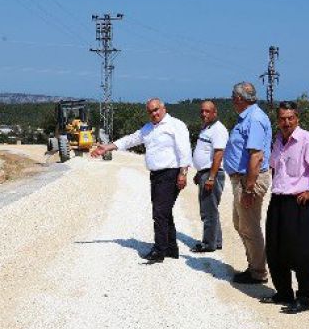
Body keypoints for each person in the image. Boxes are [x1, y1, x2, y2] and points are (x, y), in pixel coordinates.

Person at [91, 98, 192, 263]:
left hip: (170, 173)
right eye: (150, 111)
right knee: (165, 212)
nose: (154, 113)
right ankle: (171, 248)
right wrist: (107, 147)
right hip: (156, 175)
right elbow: (131, 140)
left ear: (164, 108)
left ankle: (159, 251)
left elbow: (184, 150)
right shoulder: (148, 128)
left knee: (159, 213)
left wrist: (183, 173)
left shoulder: (175, 125)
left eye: (156, 109)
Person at [261, 101, 309, 314]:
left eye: (290, 118)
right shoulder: (277, 141)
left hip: (299, 203)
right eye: (282, 118)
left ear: (297, 119)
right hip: (278, 200)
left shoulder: (308, 140)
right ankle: (283, 293)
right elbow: (275, 168)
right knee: (275, 249)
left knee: (304, 252)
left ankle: (304, 298)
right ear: (278, 120)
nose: (286, 122)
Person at [224, 82, 272, 284]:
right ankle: (253, 266)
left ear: (239, 99)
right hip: (241, 180)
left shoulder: (254, 119)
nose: (232, 100)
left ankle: (258, 272)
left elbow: (256, 156)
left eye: (233, 97)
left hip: (248, 181)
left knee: (249, 227)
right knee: (240, 224)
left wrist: (249, 189)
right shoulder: (248, 117)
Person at [191, 100, 229, 253]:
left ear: (215, 112)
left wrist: (211, 177)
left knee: (208, 211)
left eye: (207, 111)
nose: (204, 114)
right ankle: (216, 241)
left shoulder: (218, 130)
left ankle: (208, 244)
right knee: (211, 209)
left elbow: (219, 154)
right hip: (205, 173)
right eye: (202, 111)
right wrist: (199, 173)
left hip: (212, 173)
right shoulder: (207, 128)